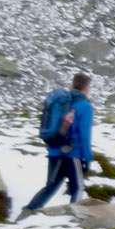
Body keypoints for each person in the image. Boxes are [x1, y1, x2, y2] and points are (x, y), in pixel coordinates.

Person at [19, 73, 94, 218]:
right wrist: (87, 157)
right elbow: (84, 135)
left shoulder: (63, 102)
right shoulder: (84, 106)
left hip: (55, 152)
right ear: (86, 87)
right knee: (78, 188)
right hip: (73, 154)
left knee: (50, 187)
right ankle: (74, 219)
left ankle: (26, 214)